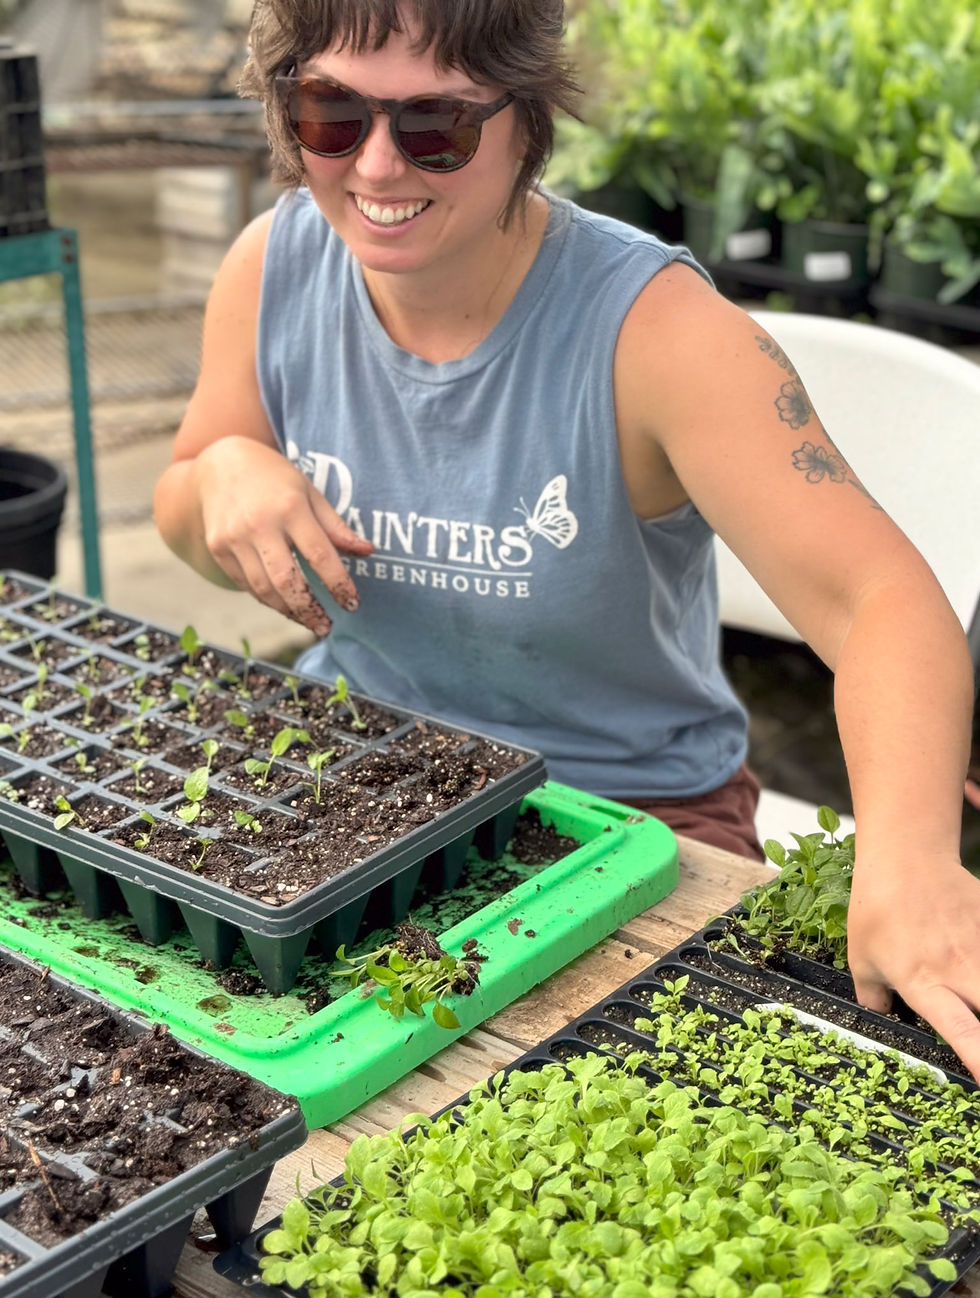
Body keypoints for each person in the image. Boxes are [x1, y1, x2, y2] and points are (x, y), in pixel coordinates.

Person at [154, 0, 980, 1077]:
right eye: (329, 114)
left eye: (434, 126)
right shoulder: (272, 268)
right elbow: (182, 500)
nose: (376, 166)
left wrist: (909, 856)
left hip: (628, 821)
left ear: (525, 115)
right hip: (362, 789)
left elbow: (879, 603)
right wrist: (221, 473)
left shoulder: (656, 332)